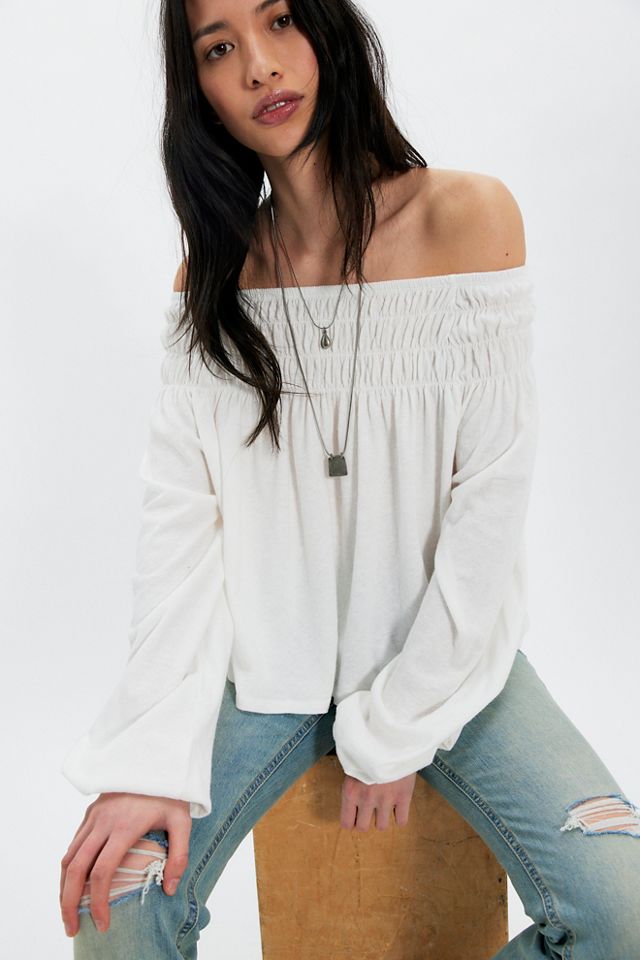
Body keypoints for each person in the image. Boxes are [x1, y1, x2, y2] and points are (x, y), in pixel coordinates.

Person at [59, 0, 640, 956]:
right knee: (115, 915)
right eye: (218, 47)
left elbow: (489, 509)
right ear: (198, 90)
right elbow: (179, 535)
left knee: (624, 911)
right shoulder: (211, 283)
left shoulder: (467, 221)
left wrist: (400, 725)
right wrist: (144, 758)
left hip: (451, 663)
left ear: (328, 30)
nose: (259, 66)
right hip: (265, 675)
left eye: (281, 20)